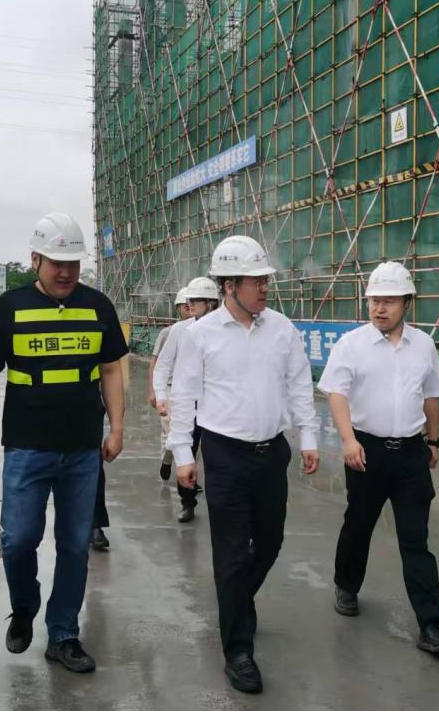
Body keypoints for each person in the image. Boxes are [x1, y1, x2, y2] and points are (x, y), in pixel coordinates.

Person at [0, 212, 128, 674]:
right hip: (27, 447)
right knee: (19, 539)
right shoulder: (10, 308)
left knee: (75, 546)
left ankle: (63, 635)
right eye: (57, 262)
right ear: (35, 259)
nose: (65, 272)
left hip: (82, 450)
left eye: (73, 263)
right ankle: (24, 607)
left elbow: (111, 369)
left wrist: (117, 427)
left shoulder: (98, 307)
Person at [168, 235, 319, 695]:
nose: (265, 287)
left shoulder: (282, 329)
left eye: (266, 280)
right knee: (232, 553)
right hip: (225, 455)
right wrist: (182, 454)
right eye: (256, 281)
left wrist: (309, 437)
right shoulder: (201, 335)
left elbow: (299, 385)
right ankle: (238, 651)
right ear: (229, 286)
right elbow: (183, 396)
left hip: (272, 453)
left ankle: (235, 602)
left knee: (270, 544)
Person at [318, 261, 439, 655]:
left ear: (407, 303)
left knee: (416, 538)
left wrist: (433, 441)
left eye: (389, 301)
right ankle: (346, 585)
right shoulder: (352, 344)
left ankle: (431, 623)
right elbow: (336, 393)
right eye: (374, 300)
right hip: (367, 450)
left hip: (411, 453)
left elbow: (431, 395)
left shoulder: (424, 345)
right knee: (359, 524)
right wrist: (348, 440)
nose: (380, 308)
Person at [154, 277, 219, 523]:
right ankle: (187, 502)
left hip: (215, 405)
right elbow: (162, 365)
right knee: (186, 450)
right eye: (188, 300)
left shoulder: (225, 330)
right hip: (187, 403)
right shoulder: (180, 330)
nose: (189, 304)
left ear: (211, 303)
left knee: (215, 455)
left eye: (195, 300)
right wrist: (160, 395)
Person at [148, 288, 190, 482]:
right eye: (185, 306)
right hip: (170, 388)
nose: (189, 309)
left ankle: (188, 476)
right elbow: (156, 363)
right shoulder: (168, 332)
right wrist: (154, 391)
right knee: (171, 432)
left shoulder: (204, 331)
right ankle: (166, 461)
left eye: (192, 304)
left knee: (194, 437)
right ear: (178, 308)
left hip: (192, 391)